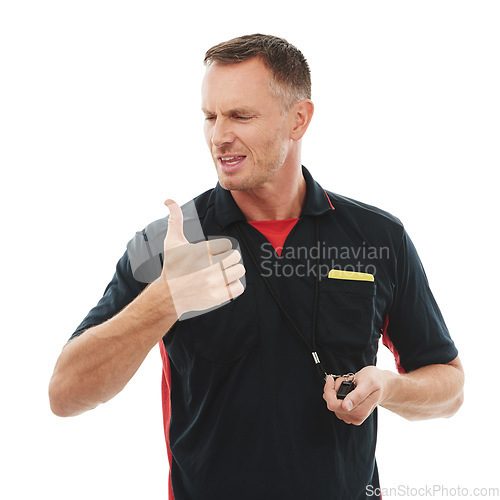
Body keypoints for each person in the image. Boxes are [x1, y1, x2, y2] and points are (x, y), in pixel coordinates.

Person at [49, 34, 464, 500]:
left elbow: (449, 385)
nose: (219, 135)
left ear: (298, 119)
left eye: (241, 116)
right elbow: (65, 395)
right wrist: (164, 299)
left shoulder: (378, 238)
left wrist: (386, 387)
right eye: (211, 116)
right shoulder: (170, 242)